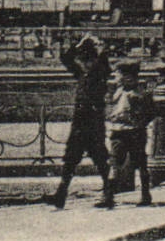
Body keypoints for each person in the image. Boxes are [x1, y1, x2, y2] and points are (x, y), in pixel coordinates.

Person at [45, 35, 115, 210]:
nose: (84, 63)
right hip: (80, 124)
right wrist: (78, 45)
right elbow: (66, 59)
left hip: (93, 124)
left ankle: (109, 194)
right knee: (70, 159)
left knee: (100, 159)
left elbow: (103, 61)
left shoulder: (100, 72)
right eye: (84, 61)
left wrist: (96, 47)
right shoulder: (83, 74)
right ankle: (61, 194)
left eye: (87, 60)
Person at [105, 59, 154, 205]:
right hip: (118, 132)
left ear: (128, 77)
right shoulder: (119, 91)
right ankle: (108, 196)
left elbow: (150, 112)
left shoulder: (138, 94)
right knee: (114, 162)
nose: (115, 78)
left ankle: (145, 194)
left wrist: (139, 122)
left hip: (134, 132)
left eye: (118, 75)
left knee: (140, 163)